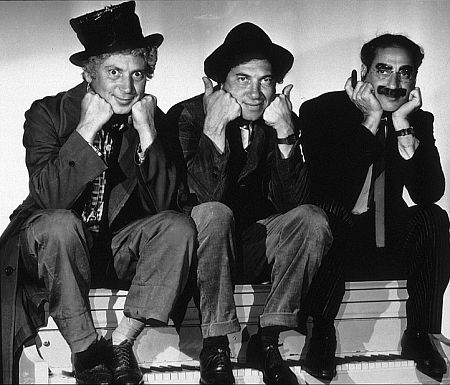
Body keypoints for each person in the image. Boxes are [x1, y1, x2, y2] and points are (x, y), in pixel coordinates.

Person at [0, 2, 197, 384]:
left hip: (114, 251)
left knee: (178, 227)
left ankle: (122, 344)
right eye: (114, 72)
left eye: (138, 74)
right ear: (89, 73)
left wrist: (147, 134)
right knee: (59, 223)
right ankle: (86, 350)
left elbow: (168, 207)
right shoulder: (48, 113)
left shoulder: (152, 120)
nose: (127, 87)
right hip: (50, 248)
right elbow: (49, 198)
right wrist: (85, 131)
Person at [166, 22, 332, 385]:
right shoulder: (186, 118)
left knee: (313, 219)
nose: (256, 93)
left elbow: (296, 206)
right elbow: (196, 203)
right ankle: (215, 344)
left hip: (254, 246)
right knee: (214, 212)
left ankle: (267, 340)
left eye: (266, 81)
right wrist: (214, 130)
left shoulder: (279, 119)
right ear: (220, 84)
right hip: (201, 248)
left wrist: (287, 135)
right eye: (243, 79)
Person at [299, 33, 450, 380]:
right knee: (329, 213)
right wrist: (370, 122)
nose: (394, 83)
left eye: (405, 73)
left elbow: (430, 193)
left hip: (386, 242)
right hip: (336, 242)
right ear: (363, 72)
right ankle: (321, 333)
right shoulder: (322, 111)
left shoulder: (415, 118)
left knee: (433, 217)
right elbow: (330, 190)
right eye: (383, 70)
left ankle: (420, 334)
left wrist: (401, 128)